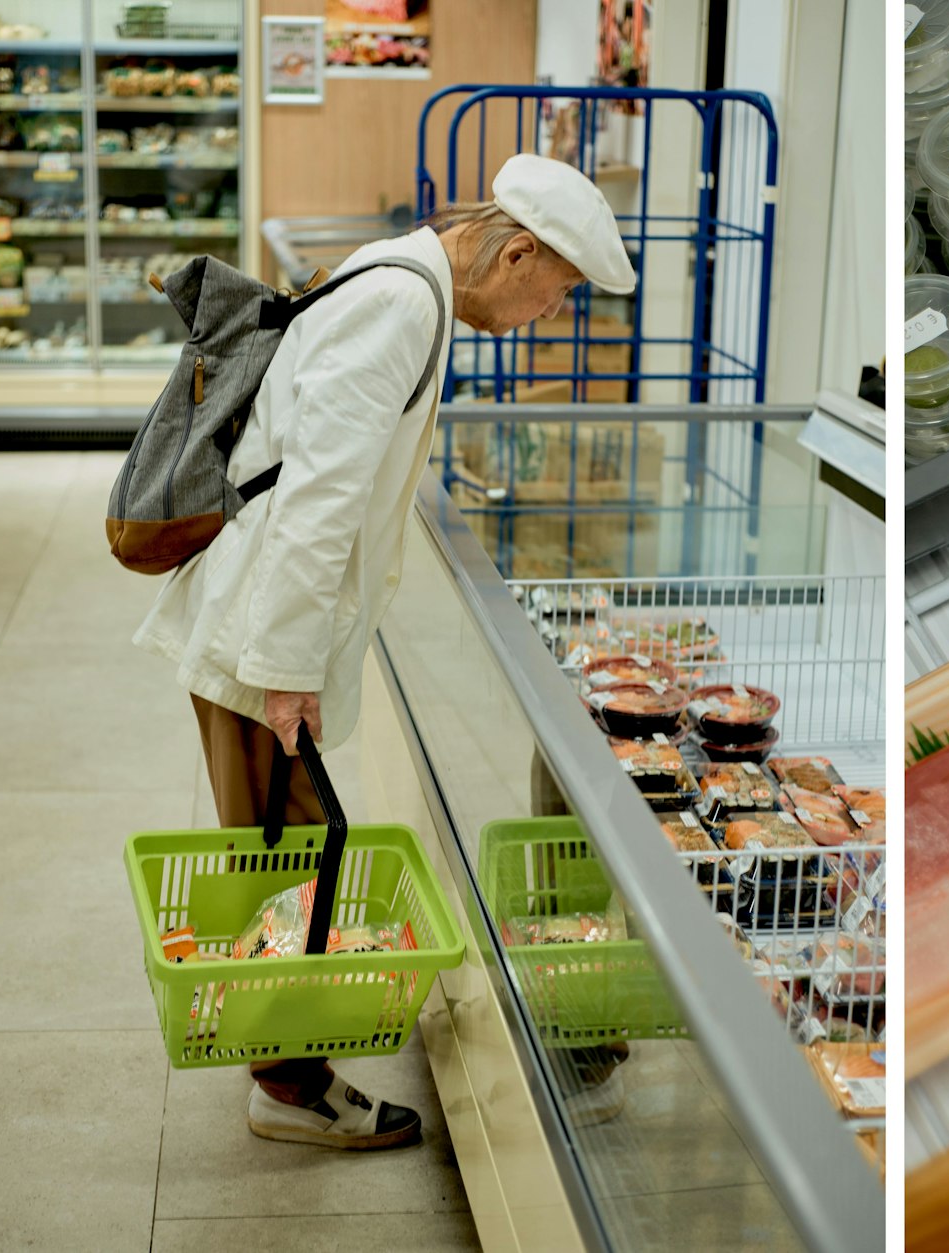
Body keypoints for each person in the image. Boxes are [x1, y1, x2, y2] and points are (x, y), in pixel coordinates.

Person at [132, 153, 637, 1150]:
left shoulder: (397, 274)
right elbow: (320, 498)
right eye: (558, 289)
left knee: (286, 843)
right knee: (295, 849)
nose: (551, 311)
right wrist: (284, 673)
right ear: (516, 251)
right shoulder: (405, 308)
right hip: (258, 628)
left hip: (262, 614)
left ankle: (289, 1067)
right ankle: (290, 1084)